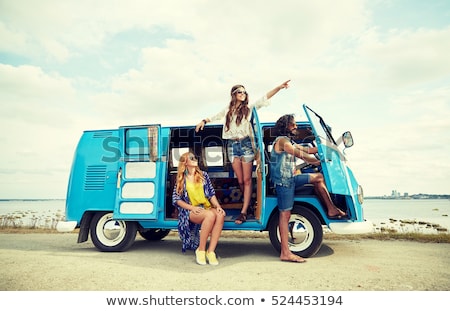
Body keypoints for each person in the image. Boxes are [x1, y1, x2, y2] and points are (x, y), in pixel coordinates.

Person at [196, 80, 291, 224]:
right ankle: (250, 202)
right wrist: (203, 121)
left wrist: (279, 87)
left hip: (246, 144)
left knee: (247, 180)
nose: (243, 94)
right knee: (240, 180)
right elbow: (216, 116)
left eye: (244, 92)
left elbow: (264, 98)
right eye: (240, 91)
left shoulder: (249, 109)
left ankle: (244, 212)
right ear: (234, 94)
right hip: (232, 145)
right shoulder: (228, 110)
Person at [270, 114, 347, 263]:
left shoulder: (289, 141)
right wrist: (317, 161)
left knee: (318, 178)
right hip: (284, 183)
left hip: (290, 179)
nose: (296, 127)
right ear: (286, 126)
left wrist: (326, 149)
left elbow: (307, 150)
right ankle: (285, 252)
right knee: (285, 215)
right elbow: (300, 154)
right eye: (293, 125)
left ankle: (331, 209)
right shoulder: (282, 141)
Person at [172, 152, 226, 265]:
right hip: (190, 210)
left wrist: (218, 207)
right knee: (210, 215)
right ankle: (201, 250)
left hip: (206, 206)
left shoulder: (203, 175)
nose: (195, 159)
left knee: (220, 215)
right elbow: (176, 199)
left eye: (195, 157)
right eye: (191, 158)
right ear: (185, 162)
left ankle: (211, 251)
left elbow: (211, 194)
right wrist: (191, 208)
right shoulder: (181, 179)